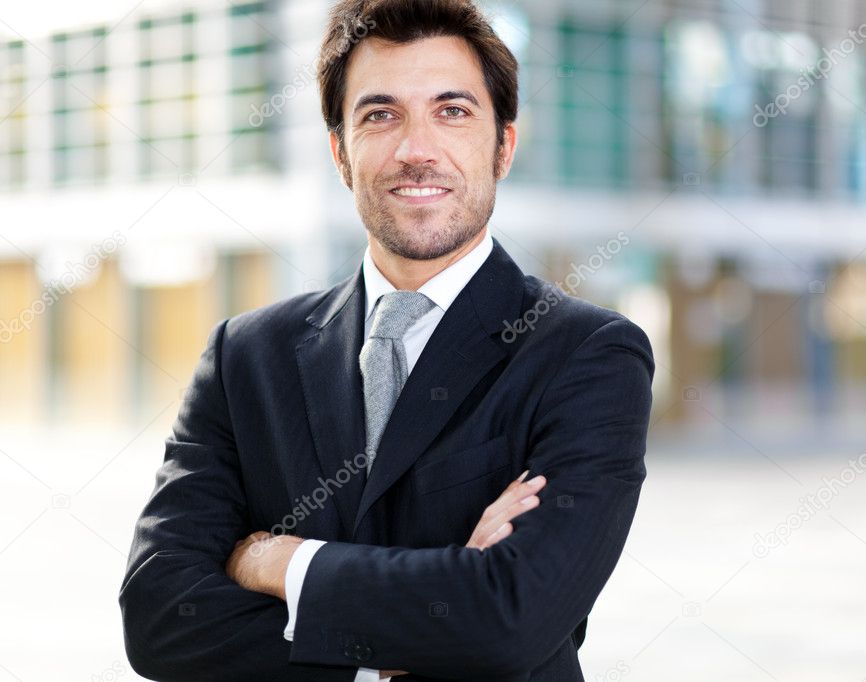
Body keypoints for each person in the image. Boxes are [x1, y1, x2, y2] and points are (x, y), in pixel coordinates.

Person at [119, 1, 654, 679]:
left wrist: (274, 562)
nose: (416, 150)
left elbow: (510, 621)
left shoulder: (587, 354)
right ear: (341, 153)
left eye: (452, 111)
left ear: (503, 147)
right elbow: (161, 618)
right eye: (380, 115)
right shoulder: (244, 357)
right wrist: (421, 626)